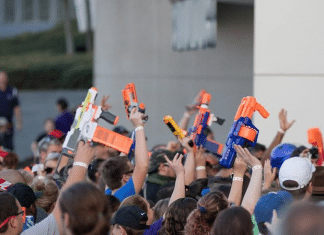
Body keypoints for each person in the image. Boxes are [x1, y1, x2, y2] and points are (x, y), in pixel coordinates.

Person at [101, 108, 149, 202]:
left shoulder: (109, 191)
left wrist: (138, 128)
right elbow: (143, 166)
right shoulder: (122, 196)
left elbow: (120, 161)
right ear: (125, 177)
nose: (136, 169)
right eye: (134, 169)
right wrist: (139, 126)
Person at [0, 71, 23, 151]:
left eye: (4, 77)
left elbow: (16, 108)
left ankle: (9, 159)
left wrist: (19, 122)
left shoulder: (12, 91)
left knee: (8, 143)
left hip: (8, 122)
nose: (3, 79)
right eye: (1, 77)